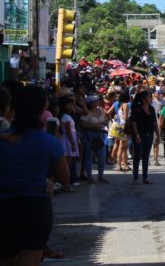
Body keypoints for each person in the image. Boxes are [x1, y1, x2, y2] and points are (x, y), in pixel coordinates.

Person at [0, 86, 69, 266]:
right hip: (35, 207)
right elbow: (65, 179)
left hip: (4, 207)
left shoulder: (5, 138)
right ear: (42, 108)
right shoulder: (49, 142)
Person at [129, 91, 160, 185]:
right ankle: (135, 177)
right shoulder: (137, 108)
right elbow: (133, 122)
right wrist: (137, 135)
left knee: (146, 157)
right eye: (148, 97)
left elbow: (154, 123)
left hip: (149, 135)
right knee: (137, 156)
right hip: (139, 135)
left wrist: (158, 135)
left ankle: (145, 178)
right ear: (143, 99)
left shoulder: (151, 108)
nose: (150, 98)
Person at [79, 95, 109, 184]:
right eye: (95, 101)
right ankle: (89, 177)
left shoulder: (100, 110)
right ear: (91, 103)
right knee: (89, 156)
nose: (97, 102)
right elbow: (83, 124)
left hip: (100, 135)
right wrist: (94, 126)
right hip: (89, 135)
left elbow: (105, 120)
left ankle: (101, 176)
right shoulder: (86, 112)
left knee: (102, 157)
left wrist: (105, 122)